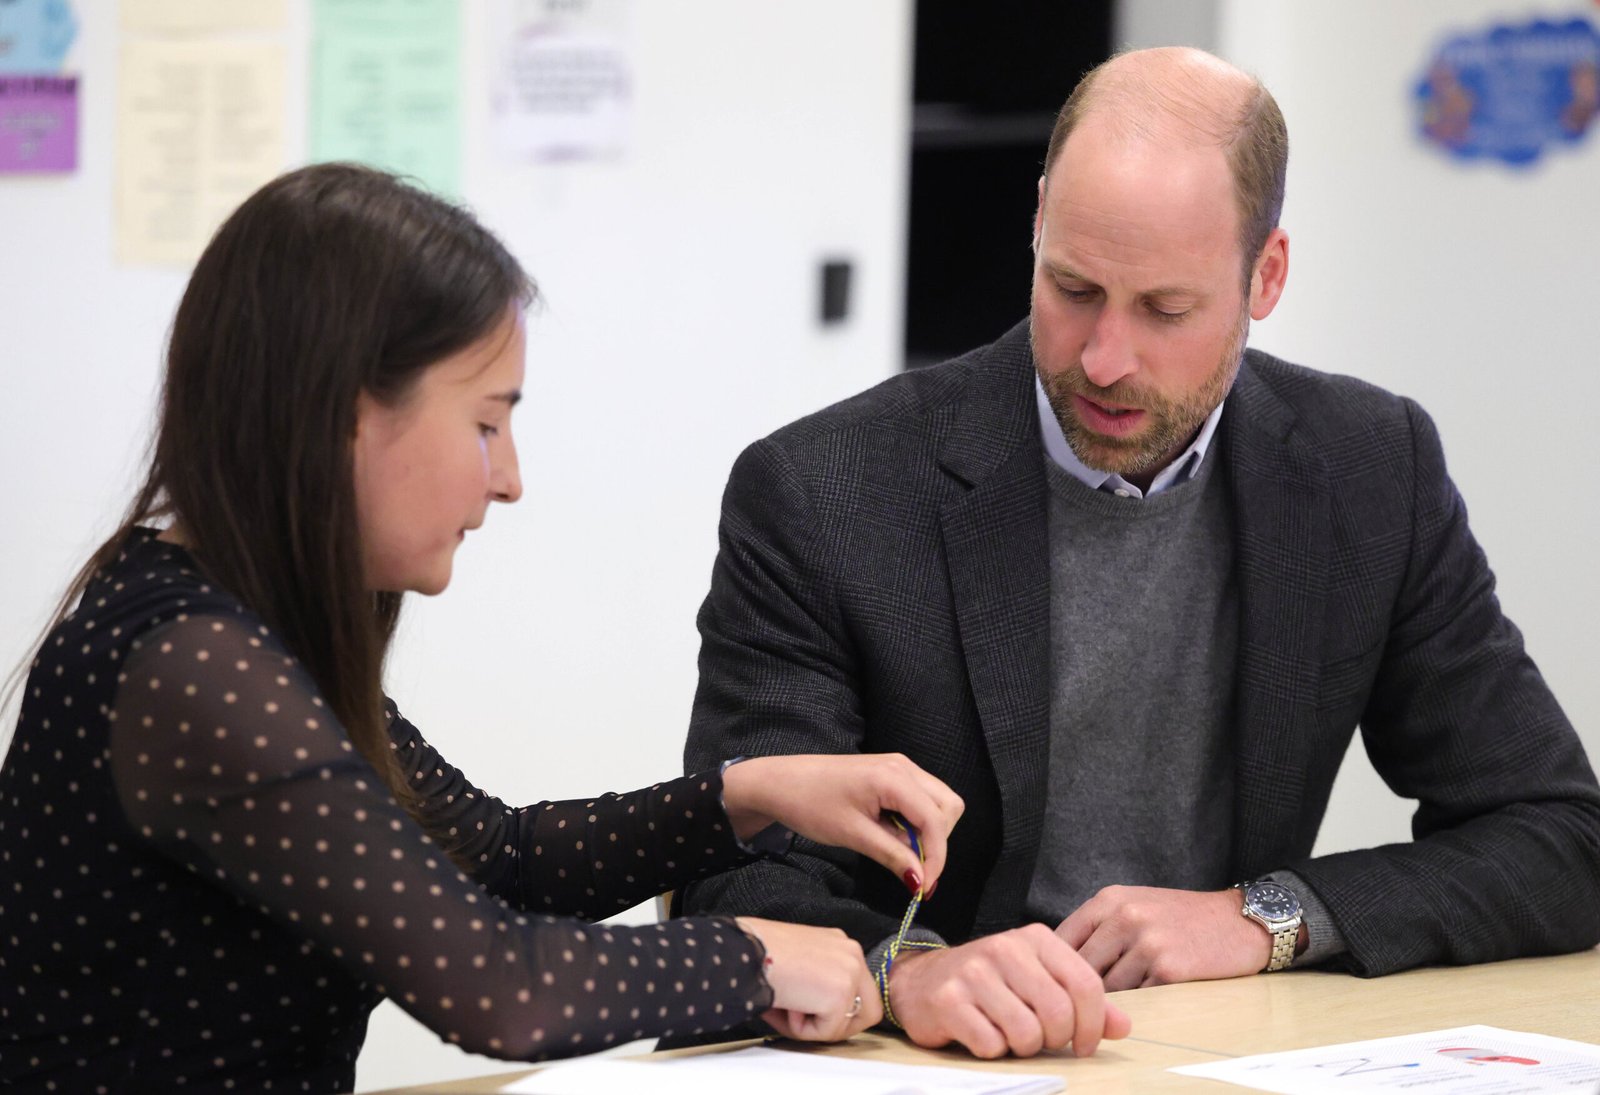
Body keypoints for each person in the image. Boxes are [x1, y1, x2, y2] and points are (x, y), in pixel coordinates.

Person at [679, 46, 1600, 1060]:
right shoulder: (823, 489)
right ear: (1036, 223)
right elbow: (731, 876)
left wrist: (1264, 917)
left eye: (1164, 310)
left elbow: (1559, 841)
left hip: (1219, 1051)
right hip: (926, 1064)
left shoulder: (1370, 469)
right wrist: (906, 972)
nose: (1102, 359)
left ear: (1267, 275)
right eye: (1071, 288)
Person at [0, 162, 968, 1093]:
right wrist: (749, 957)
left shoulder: (228, 624)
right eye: (485, 423)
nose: (508, 478)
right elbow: (499, 986)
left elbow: (502, 863)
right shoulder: (194, 666)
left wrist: (749, 795)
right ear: (346, 415)